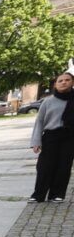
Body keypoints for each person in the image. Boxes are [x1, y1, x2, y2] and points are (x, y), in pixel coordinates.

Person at [29, 71, 74, 203]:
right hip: (51, 136)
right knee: (44, 166)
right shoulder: (48, 102)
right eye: (60, 81)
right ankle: (38, 195)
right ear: (55, 84)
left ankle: (57, 194)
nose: (64, 82)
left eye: (67, 80)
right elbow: (40, 122)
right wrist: (36, 141)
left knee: (64, 166)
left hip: (70, 137)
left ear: (72, 83)